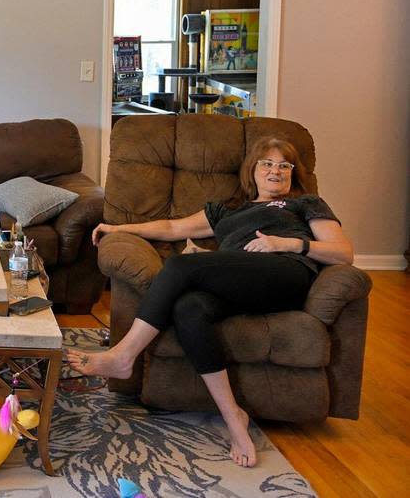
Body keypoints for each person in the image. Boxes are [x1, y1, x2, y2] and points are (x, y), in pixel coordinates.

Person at [64, 138, 354, 468]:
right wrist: (118, 227)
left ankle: (123, 355)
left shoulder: (305, 204)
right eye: (267, 164)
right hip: (237, 283)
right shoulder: (226, 209)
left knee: (178, 266)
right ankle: (234, 417)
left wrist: (285, 243)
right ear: (252, 170)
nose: (275, 171)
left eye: (283, 166)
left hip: (284, 275)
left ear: (293, 174)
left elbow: (343, 252)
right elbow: (172, 227)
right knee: (188, 309)